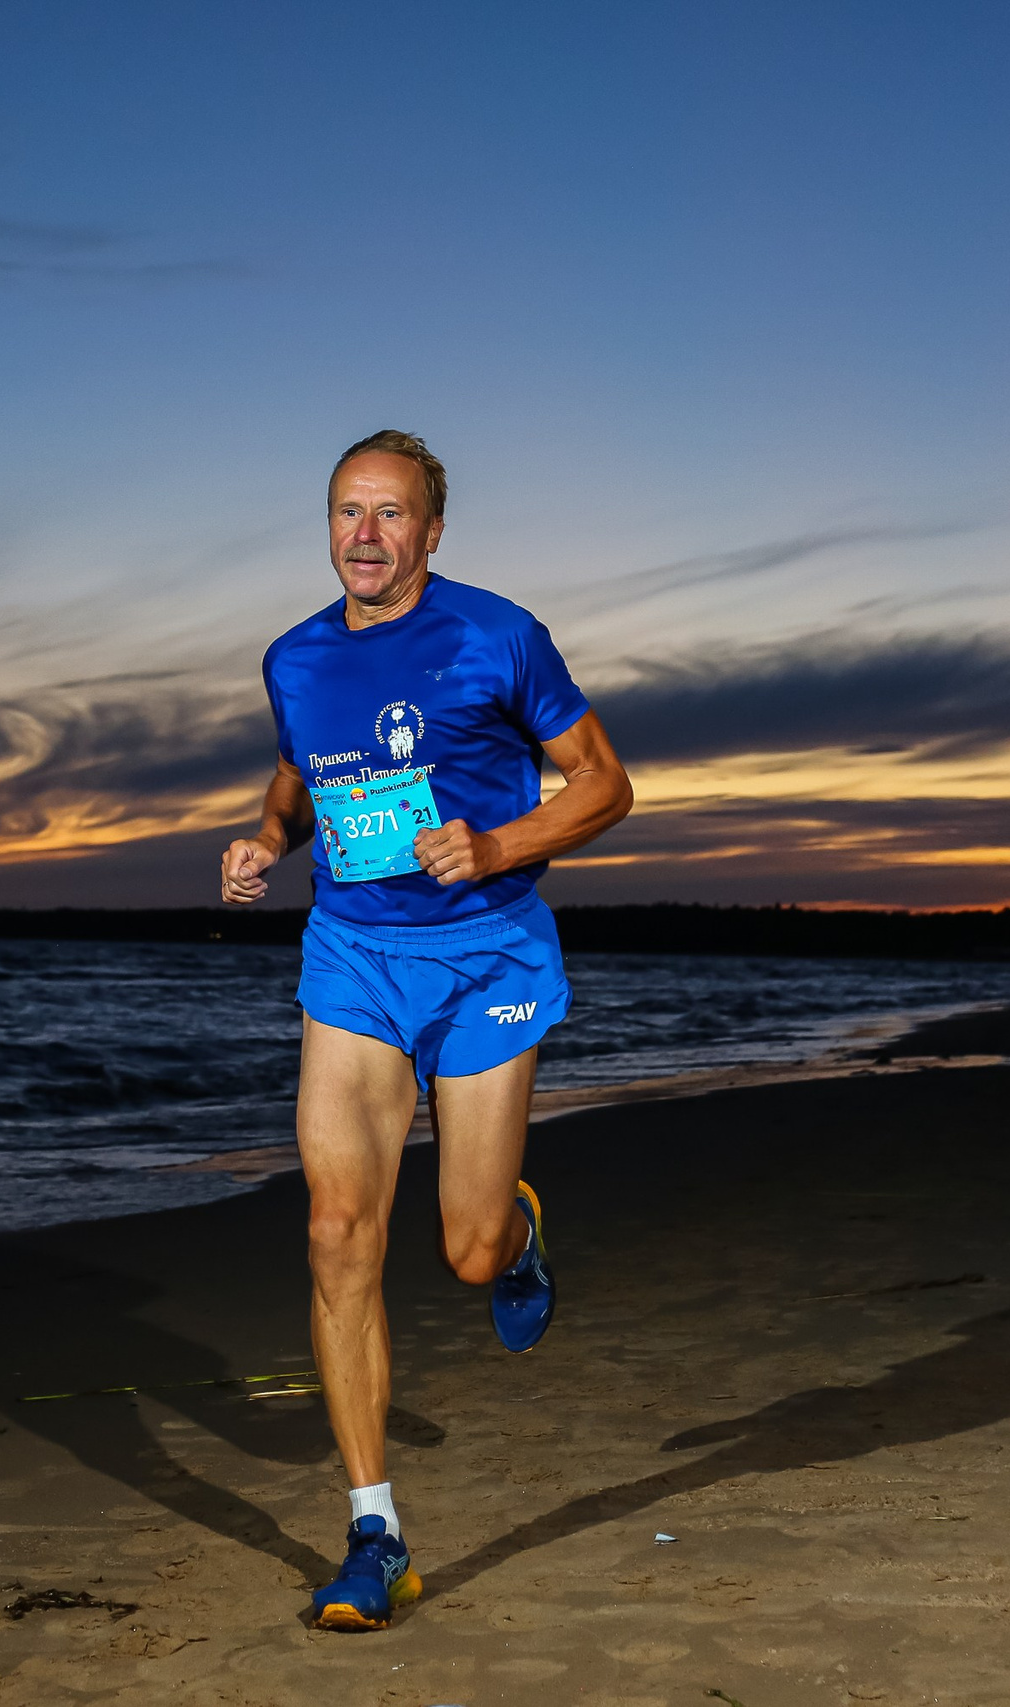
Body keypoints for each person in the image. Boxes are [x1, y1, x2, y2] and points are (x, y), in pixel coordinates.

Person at [219, 430, 634, 1631]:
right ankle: (374, 1532)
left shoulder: (495, 635)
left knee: (461, 1248)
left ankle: (516, 1235)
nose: (364, 534)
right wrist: (263, 841)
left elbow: (605, 784)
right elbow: (301, 784)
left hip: (485, 954)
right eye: (347, 511)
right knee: (338, 1231)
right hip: (351, 960)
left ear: (432, 532)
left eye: (389, 515)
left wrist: (498, 845)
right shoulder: (292, 658)